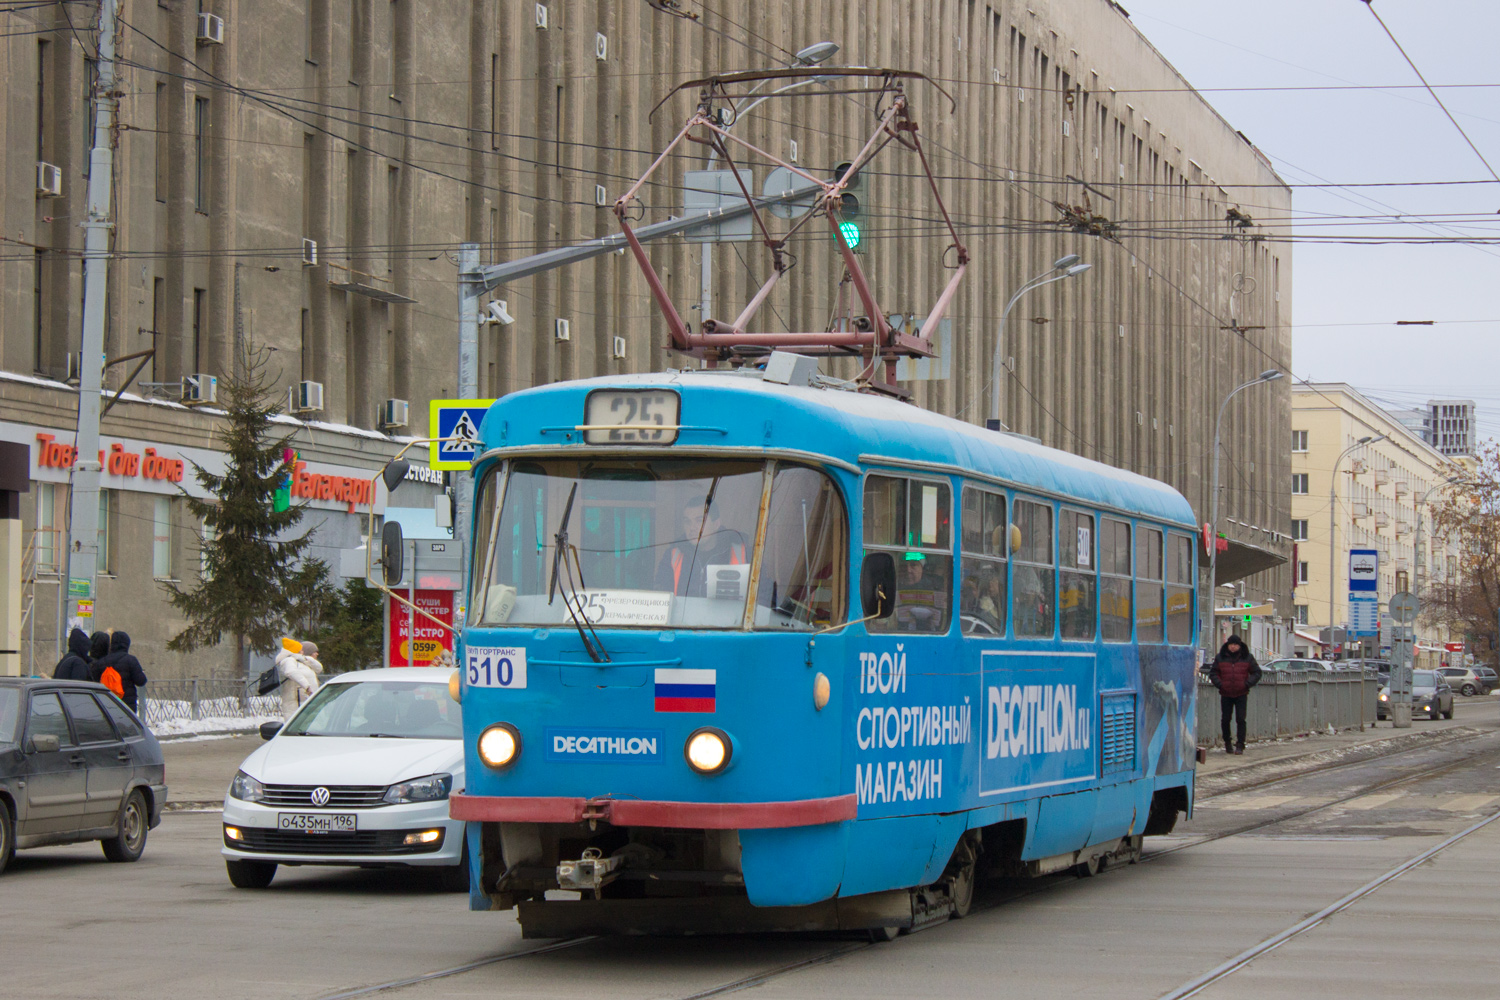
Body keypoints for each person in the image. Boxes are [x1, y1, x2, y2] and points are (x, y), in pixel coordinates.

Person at [656, 493, 748, 597]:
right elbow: (661, 596)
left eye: (699, 521)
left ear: (716, 524)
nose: (692, 527)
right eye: (687, 522)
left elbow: (759, 596)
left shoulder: (742, 553)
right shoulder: (673, 554)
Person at [1208, 634, 1262, 755]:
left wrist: (1247, 684)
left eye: (1235, 645)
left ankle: (1240, 744)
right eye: (1231, 644)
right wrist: (1220, 685)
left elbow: (1257, 672)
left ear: (1239, 645)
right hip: (1226, 693)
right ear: (1227, 645)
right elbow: (1213, 673)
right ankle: (1227, 742)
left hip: (1241, 693)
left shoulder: (1247, 657)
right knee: (1225, 719)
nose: (1233, 647)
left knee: (1241, 719)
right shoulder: (1220, 657)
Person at [92, 630, 149, 711]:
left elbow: (95, 679)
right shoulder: (131, 660)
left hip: (107, 704)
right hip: (126, 706)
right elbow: (141, 681)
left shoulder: (102, 662)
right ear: (126, 644)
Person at [275, 638, 322, 721]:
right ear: (295, 650)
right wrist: (307, 686)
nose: (303, 652)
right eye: (300, 650)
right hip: (296, 703)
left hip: (305, 700)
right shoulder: (288, 660)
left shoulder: (300, 661)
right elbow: (290, 671)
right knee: (297, 722)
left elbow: (319, 668)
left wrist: (307, 659)